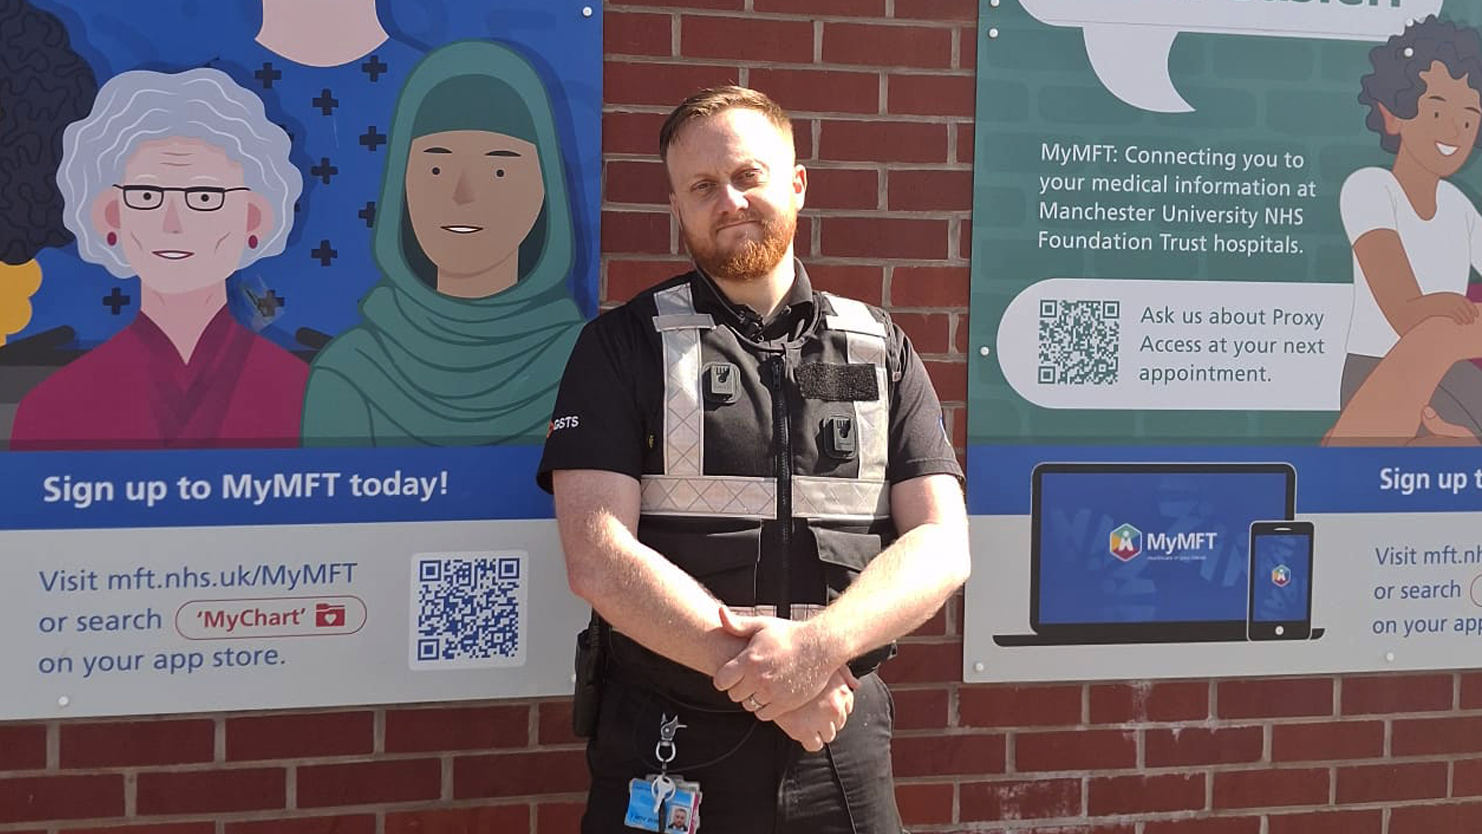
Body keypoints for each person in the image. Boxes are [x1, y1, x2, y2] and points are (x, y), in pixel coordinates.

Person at [538, 87, 970, 833]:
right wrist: (780, 680)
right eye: (702, 187)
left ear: (796, 183)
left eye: (749, 175)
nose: (729, 200)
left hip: (838, 736)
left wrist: (817, 654)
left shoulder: (880, 346)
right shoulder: (620, 347)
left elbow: (942, 543)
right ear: (678, 205)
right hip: (670, 742)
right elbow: (596, 556)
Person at [301, 40, 585, 446]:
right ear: (403, 186)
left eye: (499, 170)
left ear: (545, 189)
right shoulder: (350, 372)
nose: (462, 195)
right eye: (435, 167)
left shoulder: (586, 363)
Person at [10, 68, 305, 450]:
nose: (172, 224)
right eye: (147, 196)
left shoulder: (306, 398)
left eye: (203, 197)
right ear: (110, 215)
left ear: (253, 217)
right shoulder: (51, 408)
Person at [1339, 15, 1482, 436]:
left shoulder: (1458, 206)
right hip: (1379, 369)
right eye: (1436, 110)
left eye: (1470, 117)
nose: (1455, 129)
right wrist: (1440, 308)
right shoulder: (1369, 189)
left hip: (1448, 367)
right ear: (1392, 114)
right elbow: (1405, 313)